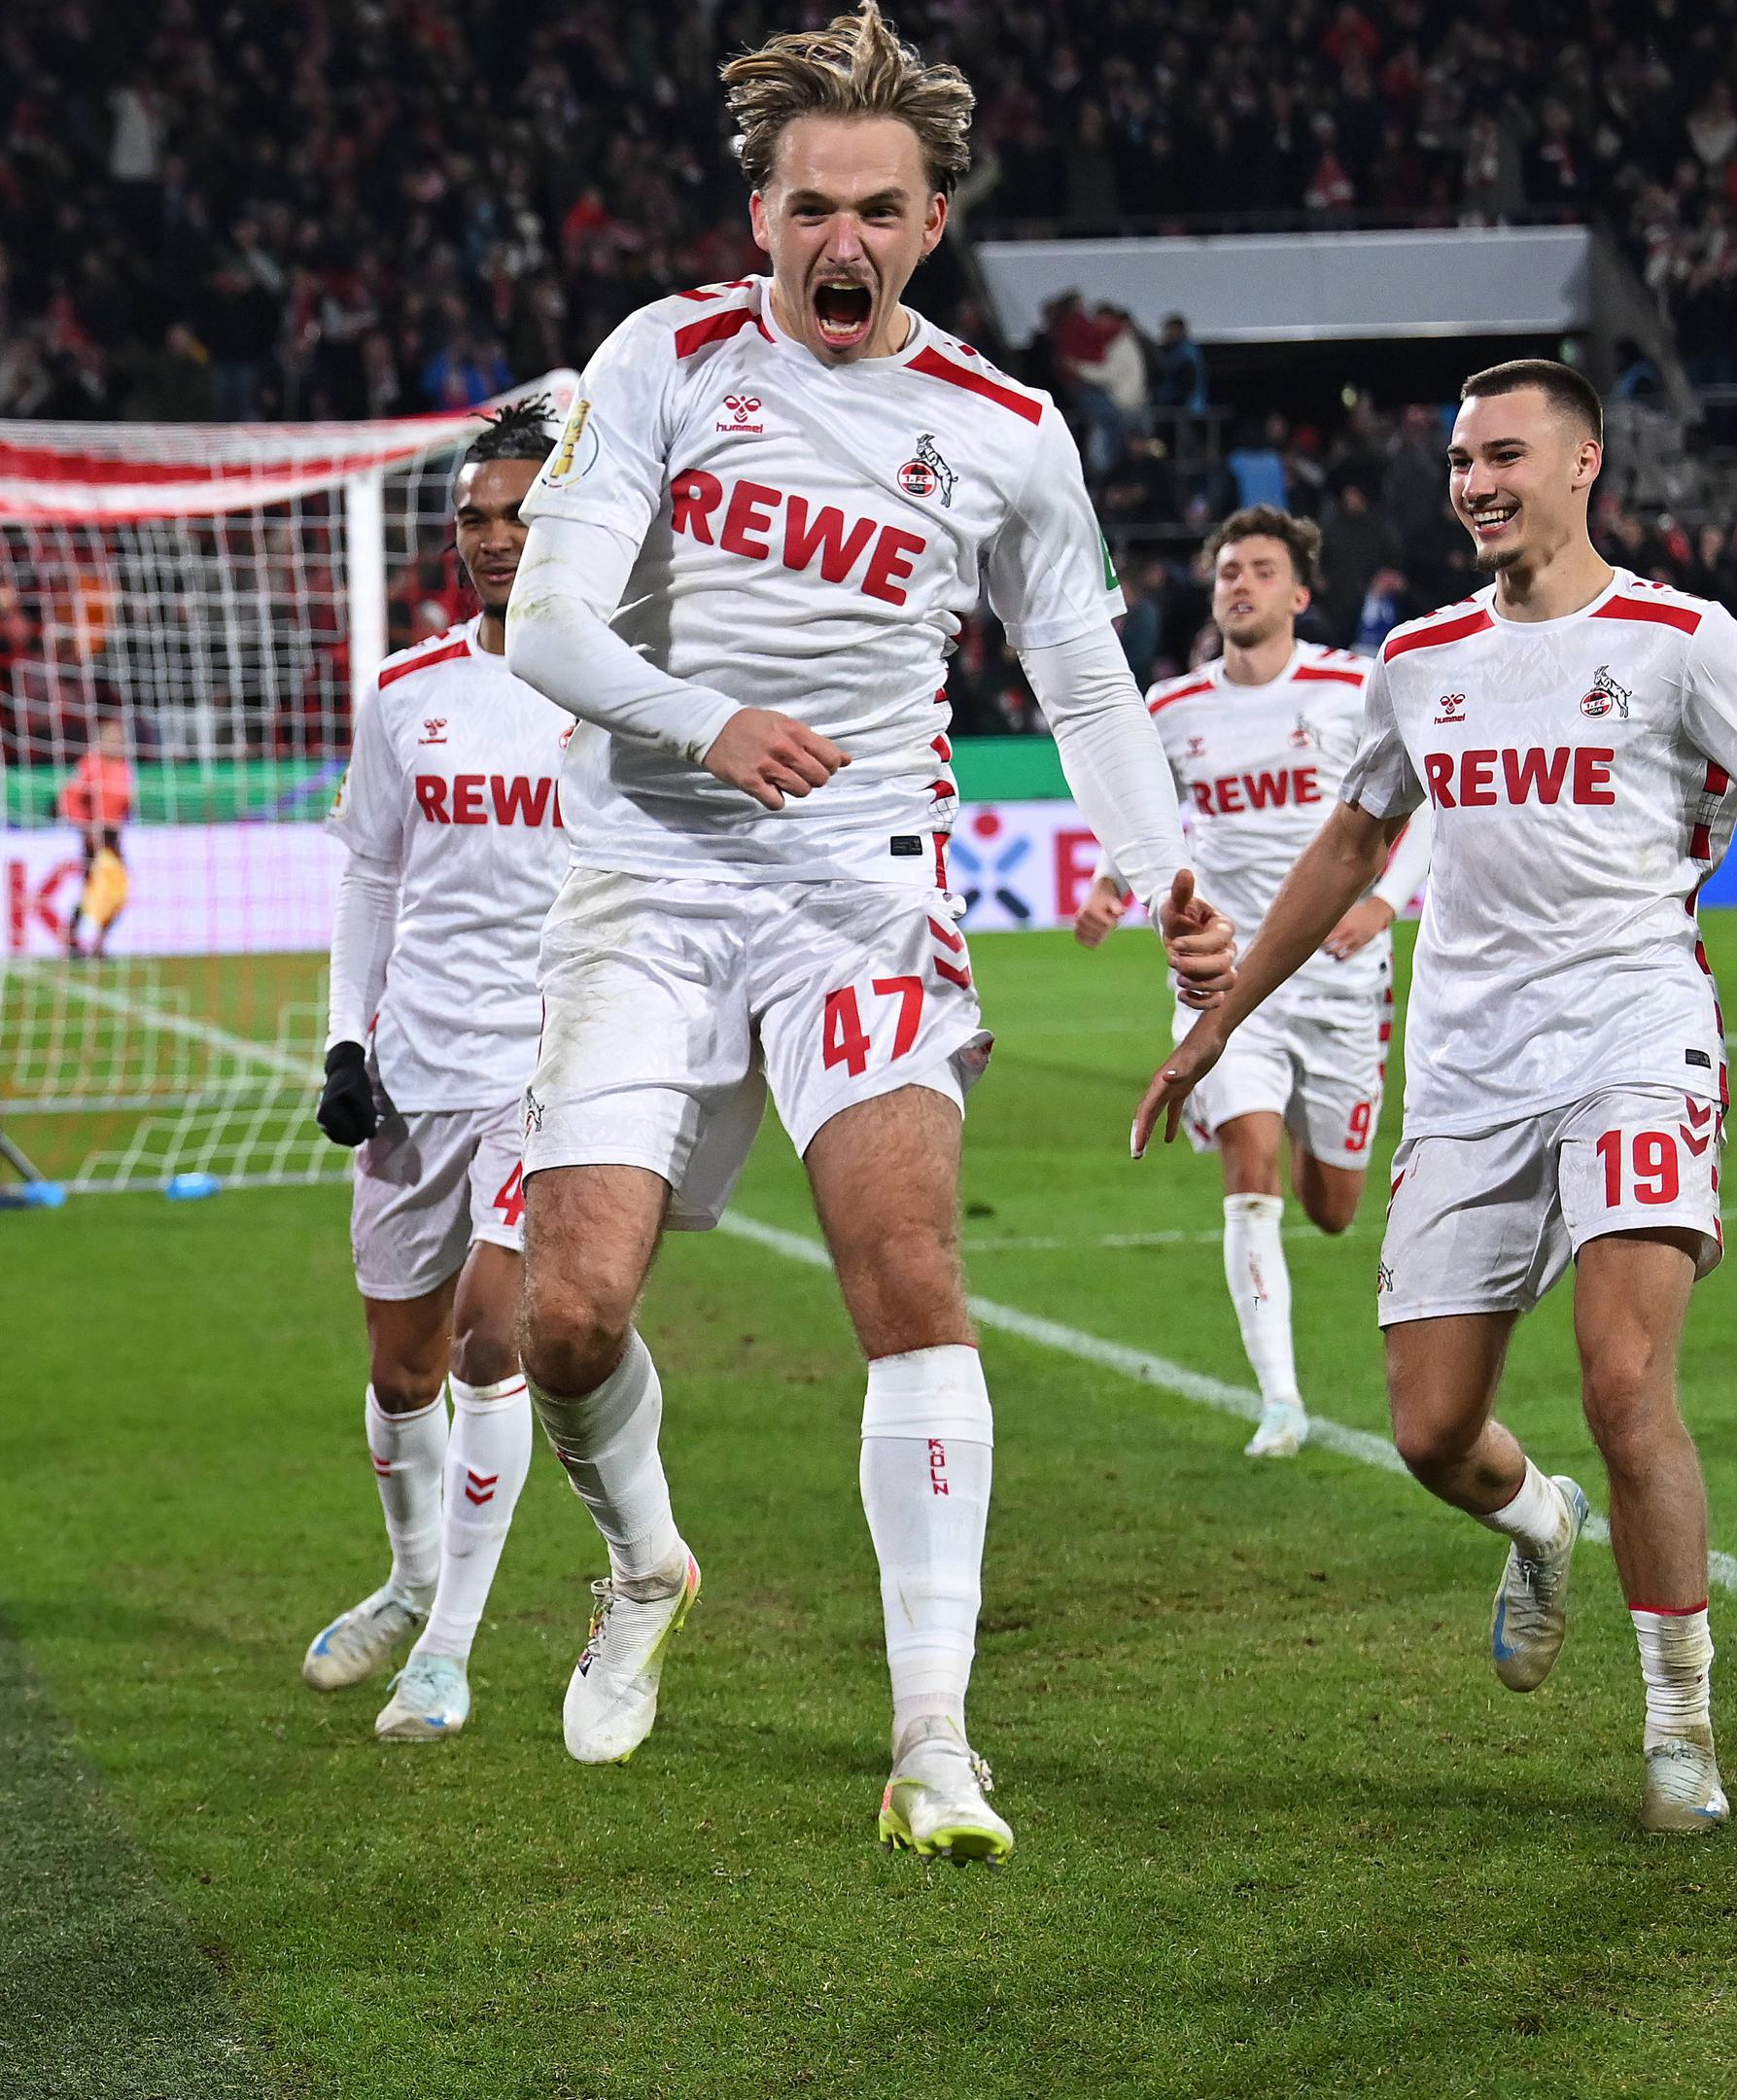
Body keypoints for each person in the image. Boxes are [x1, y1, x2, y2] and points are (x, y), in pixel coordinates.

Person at [500, 1, 1228, 1860]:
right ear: (757, 216)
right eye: (810, 203)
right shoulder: (656, 361)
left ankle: (934, 1742)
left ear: (930, 223)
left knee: (908, 1278)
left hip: (862, 890)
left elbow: (1080, 672)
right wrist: (704, 722)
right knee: (563, 1320)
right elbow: (549, 632)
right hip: (651, 876)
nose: (843, 238)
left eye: (880, 208)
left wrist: (1163, 885)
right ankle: (644, 1559)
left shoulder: (1004, 429)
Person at [1136, 359, 1737, 1838]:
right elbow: (1349, 851)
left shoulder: (1686, 640)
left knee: (1629, 1384)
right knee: (1433, 1431)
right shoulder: (1420, 659)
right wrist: (1215, 1016)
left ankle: (1679, 1718)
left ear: (1583, 466)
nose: (1474, 482)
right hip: (1467, 1069)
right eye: (1456, 463)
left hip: (1635, 1035)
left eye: (1502, 454)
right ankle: (1539, 1523)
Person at [297, 400, 569, 1743]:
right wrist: (345, 1039)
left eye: (519, 512)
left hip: (554, 1071)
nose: (495, 538)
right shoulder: (409, 694)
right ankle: (410, 1581)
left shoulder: (620, 686)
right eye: (475, 516)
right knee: (400, 1371)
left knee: (484, 1340)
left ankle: (449, 1654)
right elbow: (372, 875)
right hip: (416, 1070)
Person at [1074, 508, 1428, 1457]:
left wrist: (1385, 900)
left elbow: (1427, 800)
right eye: (1228, 570)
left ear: (1299, 594)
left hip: (1343, 979)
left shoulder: (1355, 688)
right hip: (1228, 979)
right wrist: (1114, 886)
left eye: (1261, 570)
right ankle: (1281, 1401)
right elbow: (1142, 817)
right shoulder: (1172, 708)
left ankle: (1324, 1171)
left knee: (1334, 1207)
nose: (1240, 584)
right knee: (1249, 1166)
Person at [59, 714, 134, 957]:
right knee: (94, 889)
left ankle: (99, 942)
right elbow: (69, 798)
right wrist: (86, 825)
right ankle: (72, 941)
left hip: (114, 835)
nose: (117, 743)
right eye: (112, 738)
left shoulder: (123, 767)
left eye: (120, 739)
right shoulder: (90, 764)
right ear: (101, 740)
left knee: (117, 891)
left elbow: (125, 804)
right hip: (94, 835)